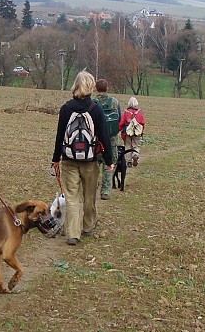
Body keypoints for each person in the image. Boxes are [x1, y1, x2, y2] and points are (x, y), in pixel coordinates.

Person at [51, 71, 114, 246]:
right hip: (90, 160)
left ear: (75, 86)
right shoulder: (96, 109)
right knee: (89, 196)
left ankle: (73, 234)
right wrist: (109, 161)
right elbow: (104, 137)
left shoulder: (66, 108)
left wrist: (56, 158)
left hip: (69, 160)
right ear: (91, 86)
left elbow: (59, 136)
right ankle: (87, 226)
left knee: (71, 197)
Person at [94, 78, 121, 200]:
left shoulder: (93, 103)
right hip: (112, 140)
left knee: (94, 165)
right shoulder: (115, 102)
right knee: (109, 165)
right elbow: (119, 120)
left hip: (96, 140)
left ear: (96, 89)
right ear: (107, 89)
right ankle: (105, 191)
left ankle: (93, 186)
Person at [118, 96, 146, 167]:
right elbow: (142, 123)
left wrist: (119, 129)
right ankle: (135, 155)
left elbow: (122, 122)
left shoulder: (126, 112)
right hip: (137, 131)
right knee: (136, 145)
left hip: (127, 131)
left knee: (127, 146)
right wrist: (142, 132)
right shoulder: (140, 112)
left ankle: (128, 161)